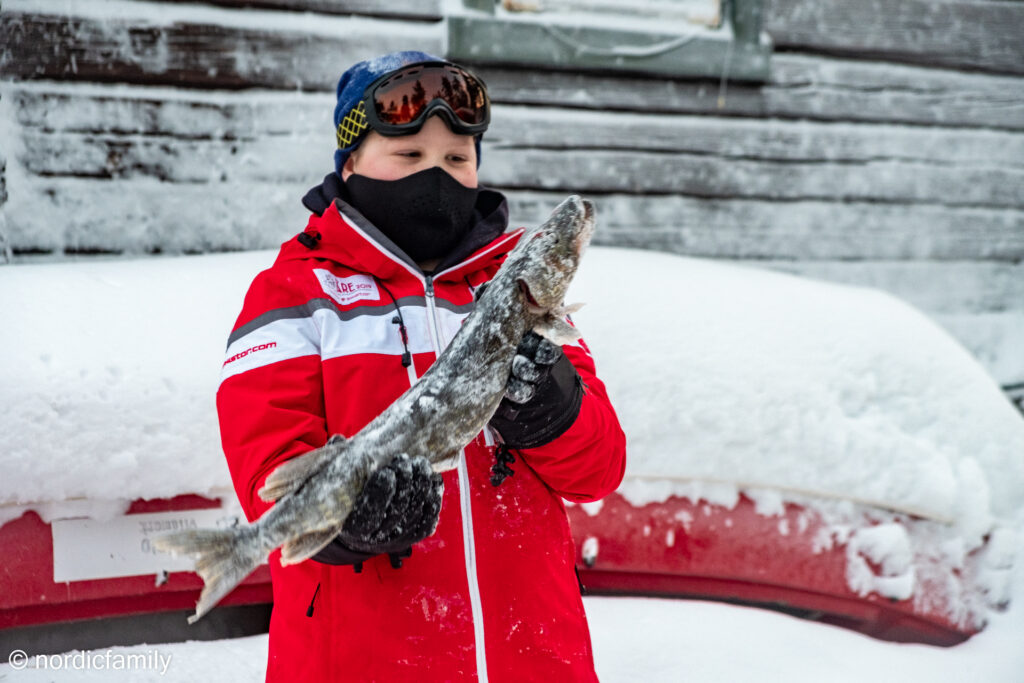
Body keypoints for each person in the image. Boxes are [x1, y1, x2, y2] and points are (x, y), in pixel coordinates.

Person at [217, 51, 626, 682]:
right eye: (409, 156)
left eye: (457, 158)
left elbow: (599, 469)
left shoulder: (515, 293)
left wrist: (555, 409)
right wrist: (344, 526)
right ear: (350, 162)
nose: (435, 174)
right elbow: (267, 466)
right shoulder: (294, 294)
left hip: (536, 658)